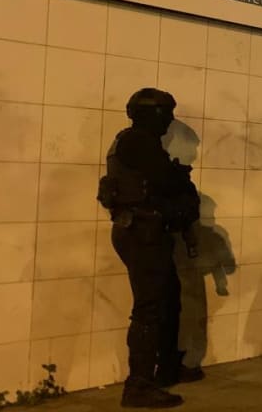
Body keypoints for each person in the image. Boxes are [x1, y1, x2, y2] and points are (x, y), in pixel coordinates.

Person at [97, 88, 202, 408]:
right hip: (141, 232)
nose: (169, 121)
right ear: (151, 114)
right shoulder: (138, 142)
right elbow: (168, 182)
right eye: (166, 114)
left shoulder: (133, 141)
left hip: (145, 230)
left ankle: (166, 368)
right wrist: (183, 187)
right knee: (150, 309)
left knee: (168, 300)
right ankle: (138, 385)